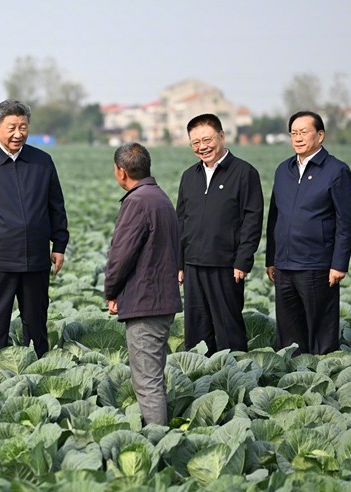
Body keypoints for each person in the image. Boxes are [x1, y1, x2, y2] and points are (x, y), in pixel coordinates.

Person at [0, 99, 69, 357]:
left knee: (36, 324)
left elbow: (56, 206)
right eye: (11, 127)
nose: (18, 134)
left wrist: (59, 245)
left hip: (35, 258)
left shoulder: (42, 161)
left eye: (23, 127)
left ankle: (39, 366)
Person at [266, 111, 351, 355]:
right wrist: (271, 259)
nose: (297, 138)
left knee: (320, 331)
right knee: (288, 332)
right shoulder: (283, 170)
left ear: (320, 135)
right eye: (293, 133)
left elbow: (346, 221)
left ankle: (324, 374)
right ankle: (292, 375)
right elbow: (274, 216)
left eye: (303, 132)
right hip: (284, 265)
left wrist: (339, 264)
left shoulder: (336, 171)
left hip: (317, 264)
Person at [105, 142, 182, 426]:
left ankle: (157, 444)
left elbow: (120, 255)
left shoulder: (137, 202)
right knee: (154, 377)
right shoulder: (160, 197)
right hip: (162, 301)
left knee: (147, 382)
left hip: (144, 303)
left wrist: (111, 292)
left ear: (121, 172)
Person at [176, 114, 263, 354]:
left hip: (226, 265)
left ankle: (234, 376)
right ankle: (199, 379)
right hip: (193, 264)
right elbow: (180, 221)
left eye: (207, 139)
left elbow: (252, 220)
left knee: (228, 328)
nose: (202, 147)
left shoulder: (244, 173)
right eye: (195, 142)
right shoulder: (189, 176)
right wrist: (179, 263)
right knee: (196, 328)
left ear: (222, 136)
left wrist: (243, 260)